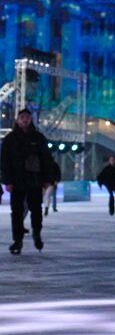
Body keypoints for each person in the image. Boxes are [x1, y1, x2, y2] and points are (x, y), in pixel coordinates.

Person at [2, 108, 59, 254]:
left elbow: (46, 159)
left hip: (35, 180)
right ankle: (17, 240)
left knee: (36, 210)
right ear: (17, 120)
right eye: (22, 117)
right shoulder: (10, 139)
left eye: (27, 117)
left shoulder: (39, 138)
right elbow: (4, 162)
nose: (25, 120)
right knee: (17, 212)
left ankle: (37, 234)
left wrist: (47, 179)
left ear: (31, 119)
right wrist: (7, 181)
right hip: (17, 181)